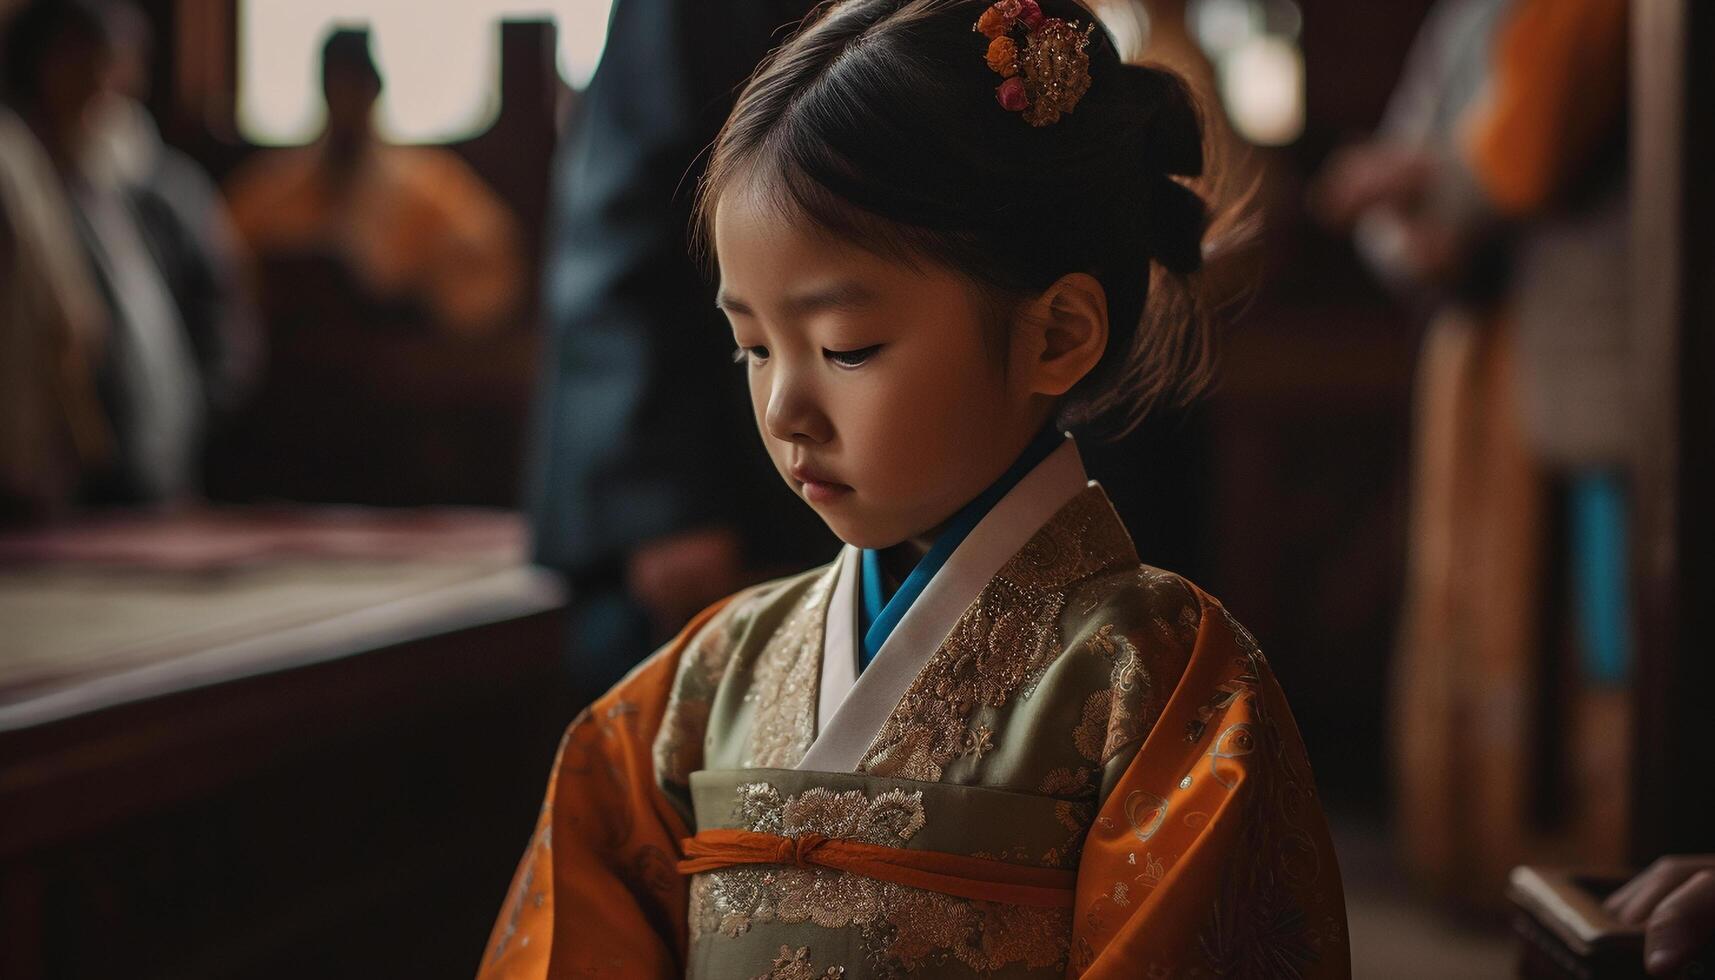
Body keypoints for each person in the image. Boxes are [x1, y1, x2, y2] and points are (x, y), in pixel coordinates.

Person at [478, 1, 1349, 977]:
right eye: (753, 348)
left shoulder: (1165, 687)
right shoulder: (699, 681)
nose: (782, 409)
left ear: (1056, 334)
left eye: (846, 347)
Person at [223, 28, 522, 338]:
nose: (346, 102)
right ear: (323, 90)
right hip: (294, 355)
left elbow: (492, 266)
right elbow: (226, 259)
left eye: (356, 87)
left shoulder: (428, 187)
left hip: (395, 356)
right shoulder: (276, 187)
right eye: (337, 87)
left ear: (374, 90)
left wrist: (416, 296)